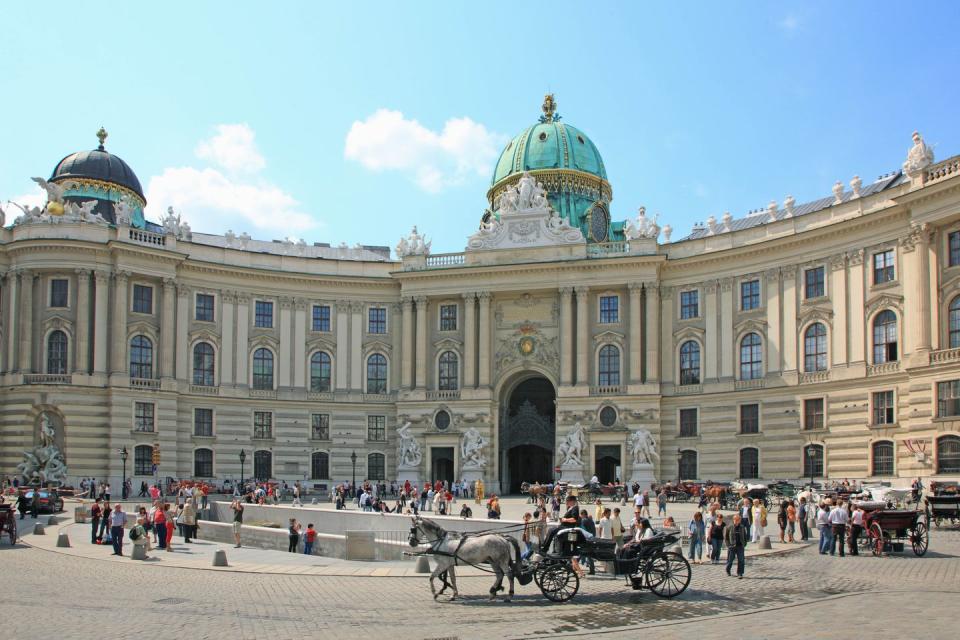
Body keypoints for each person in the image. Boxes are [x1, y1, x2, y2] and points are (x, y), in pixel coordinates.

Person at [725, 513, 749, 578]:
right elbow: (726, 537)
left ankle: (740, 573)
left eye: (738, 519)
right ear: (733, 520)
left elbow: (745, 536)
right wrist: (728, 545)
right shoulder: (729, 527)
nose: (737, 521)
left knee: (741, 560)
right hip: (732, 546)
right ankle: (728, 570)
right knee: (730, 560)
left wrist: (744, 544)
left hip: (740, 546)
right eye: (735, 519)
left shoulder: (742, 527)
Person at [579, 509, 597, 575]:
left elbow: (583, 531)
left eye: (581, 515)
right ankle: (592, 570)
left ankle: (573, 568)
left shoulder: (583, 521)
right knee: (589, 555)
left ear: (583, 514)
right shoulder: (591, 520)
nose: (580, 516)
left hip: (586, 540)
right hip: (592, 539)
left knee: (579, 553)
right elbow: (594, 530)